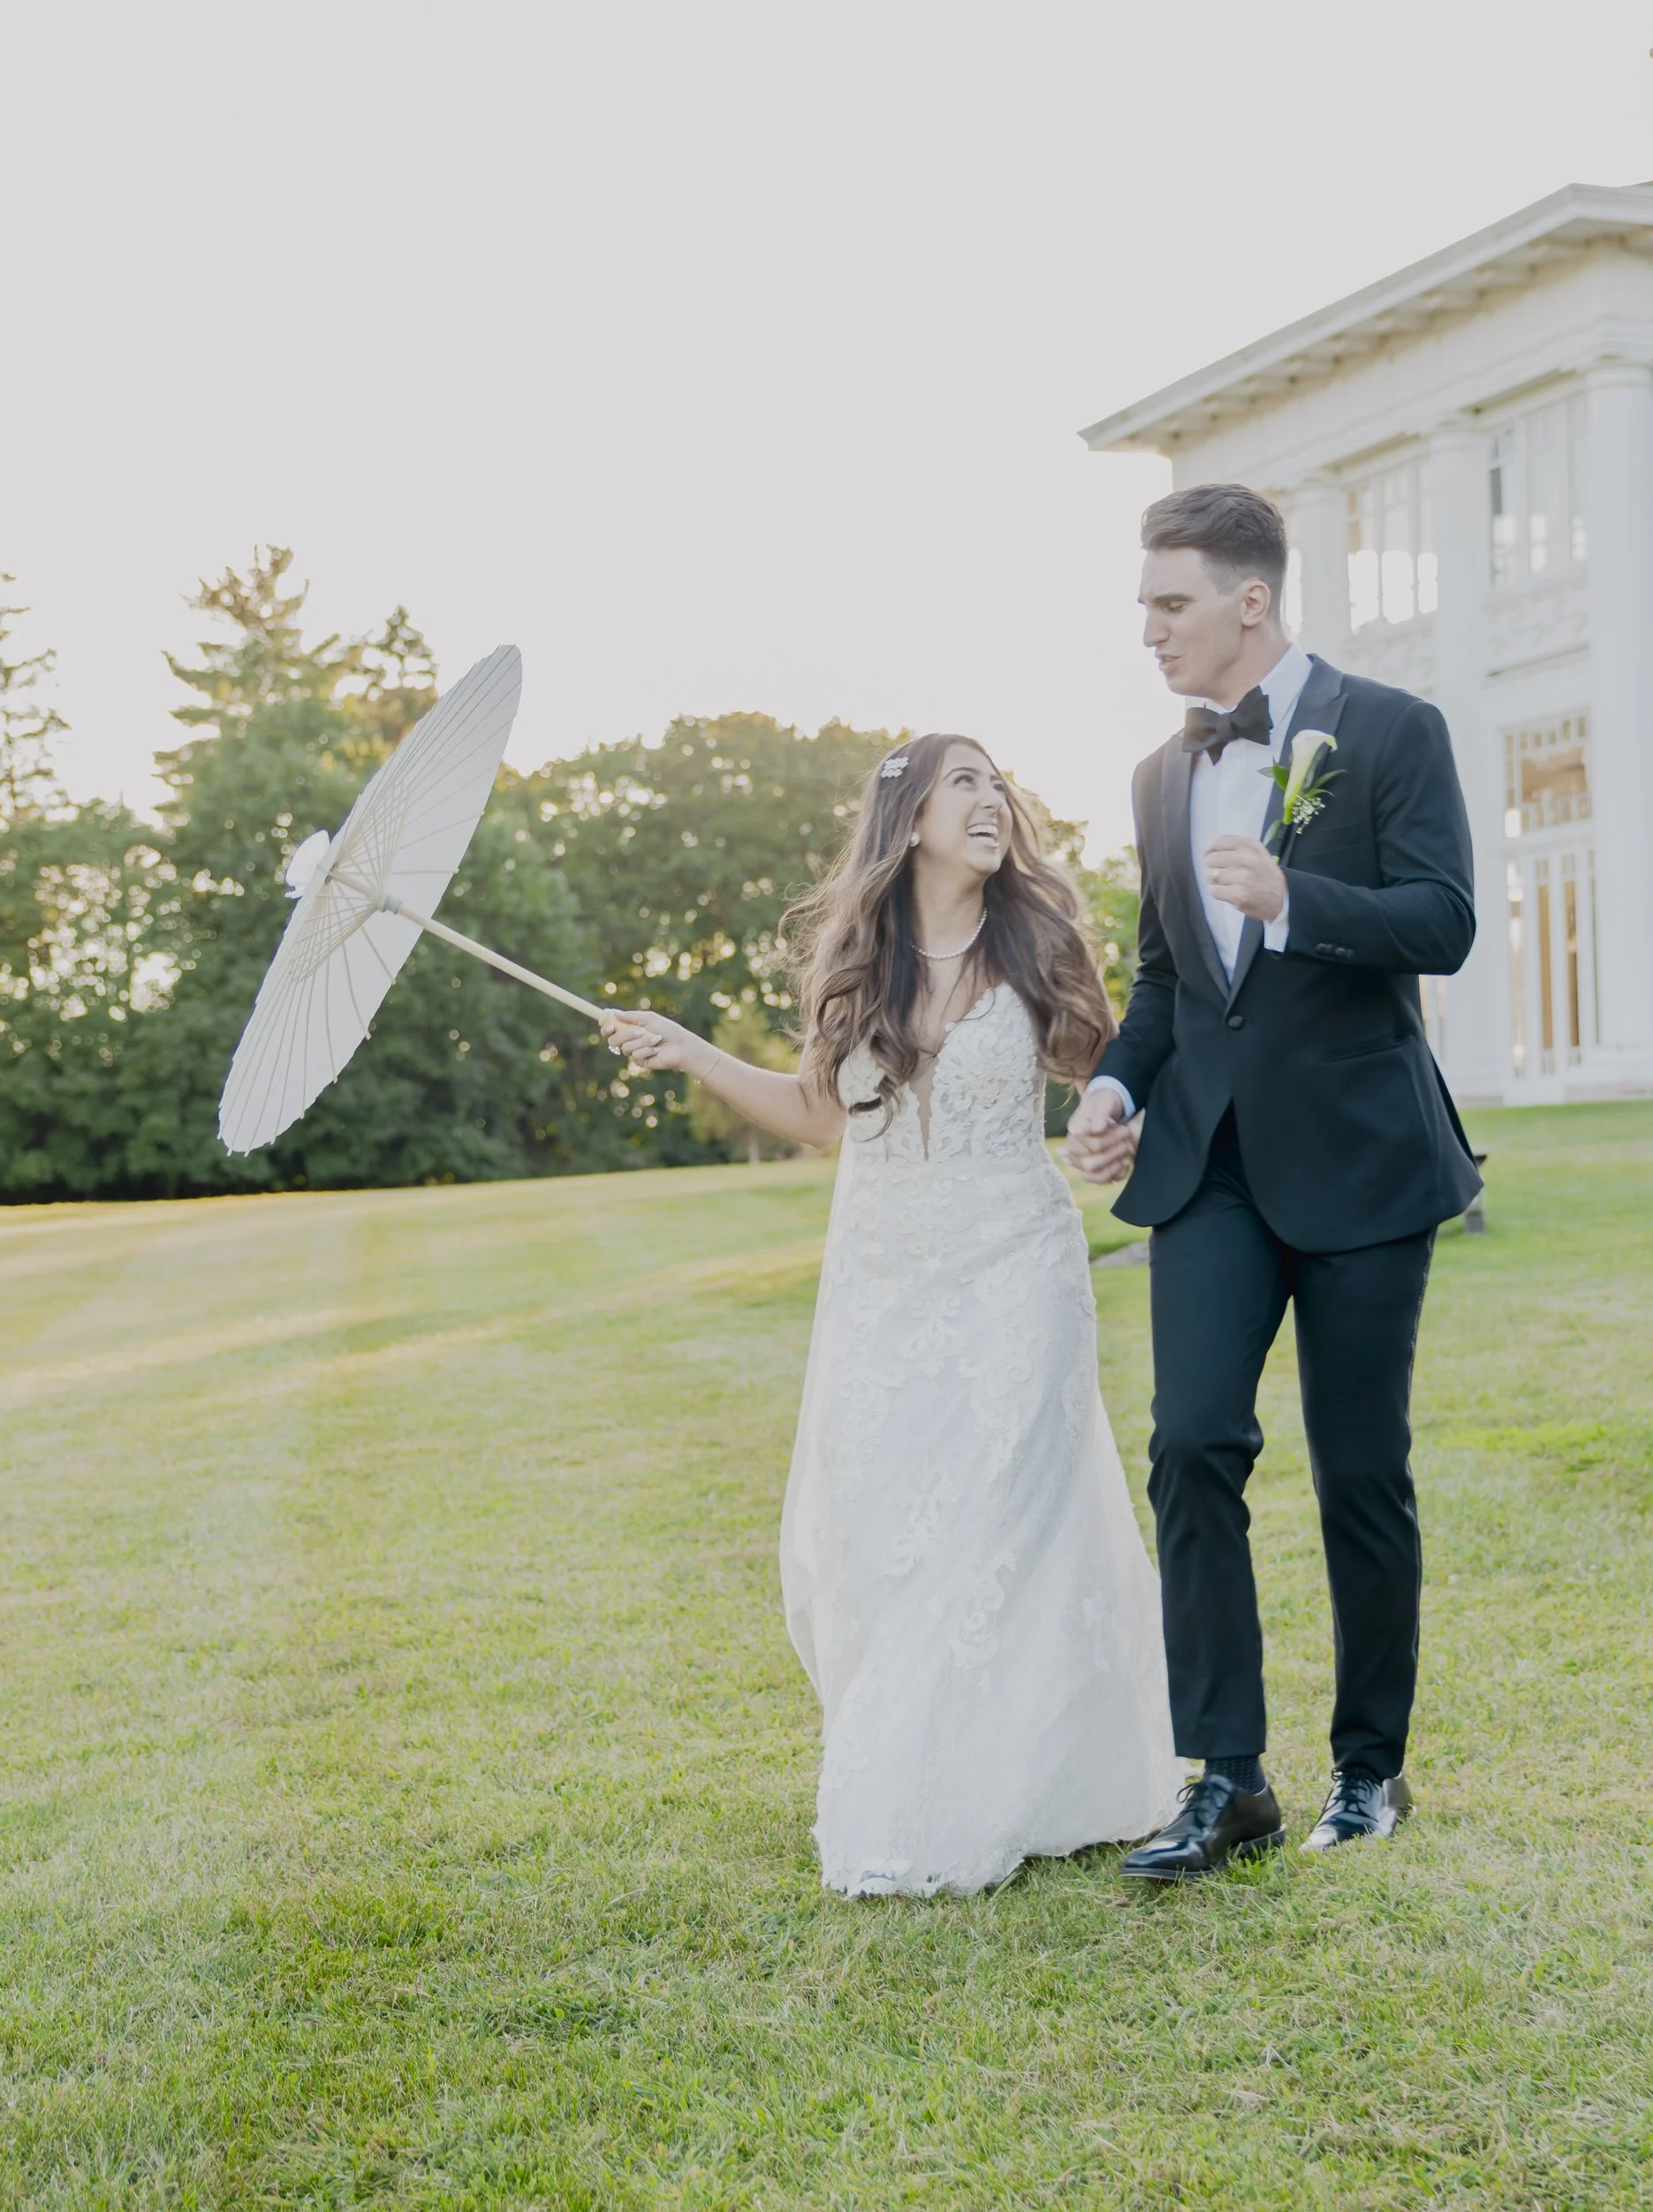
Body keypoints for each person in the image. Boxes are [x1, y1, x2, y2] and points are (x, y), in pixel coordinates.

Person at [603, 734, 1180, 1897]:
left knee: (997, 1520)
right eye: (963, 782)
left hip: (1020, 1269)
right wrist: (690, 1051)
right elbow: (820, 1119)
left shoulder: (1040, 943)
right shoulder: (855, 964)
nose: (990, 799)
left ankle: (1005, 1786)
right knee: (892, 1533)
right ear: (909, 818)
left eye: (995, 783)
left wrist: (1114, 1130)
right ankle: (939, 1776)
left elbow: (1111, 1075)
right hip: (884, 1281)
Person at [1068, 483, 1482, 1878]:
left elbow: (1444, 920)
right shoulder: (1159, 775)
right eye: (1143, 608)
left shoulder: (1394, 732)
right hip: (1211, 1169)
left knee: (1362, 1470)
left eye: (1169, 604)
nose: (1150, 632)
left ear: (1252, 600)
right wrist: (1118, 1083)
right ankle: (1228, 1775)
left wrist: (1299, 902)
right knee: (1191, 1444)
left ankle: (1369, 1774)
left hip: (1364, 1163)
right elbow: (1165, 977)